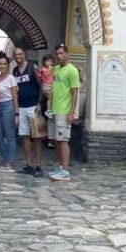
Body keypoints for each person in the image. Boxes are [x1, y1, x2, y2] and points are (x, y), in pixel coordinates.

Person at [49, 44, 80, 181]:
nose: (59, 56)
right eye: (57, 54)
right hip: (54, 109)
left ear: (67, 54)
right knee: (55, 140)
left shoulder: (72, 71)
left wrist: (71, 112)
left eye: (61, 53)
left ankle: (66, 170)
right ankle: (60, 166)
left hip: (64, 110)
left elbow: (74, 93)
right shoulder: (55, 70)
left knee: (63, 140)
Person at [13, 47, 43, 177]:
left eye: (20, 53)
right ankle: (29, 163)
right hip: (22, 107)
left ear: (24, 54)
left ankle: (38, 164)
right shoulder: (15, 71)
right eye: (15, 55)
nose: (18, 56)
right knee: (25, 136)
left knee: (36, 136)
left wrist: (40, 102)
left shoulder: (32, 67)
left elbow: (41, 84)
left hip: (33, 106)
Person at [0, 55, 19, 172]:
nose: (2, 66)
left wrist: (16, 113)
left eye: (4, 64)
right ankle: (5, 160)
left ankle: (10, 163)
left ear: (8, 65)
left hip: (8, 106)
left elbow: (14, 96)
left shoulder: (11, 78)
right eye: (0, 64)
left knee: (9, 136)